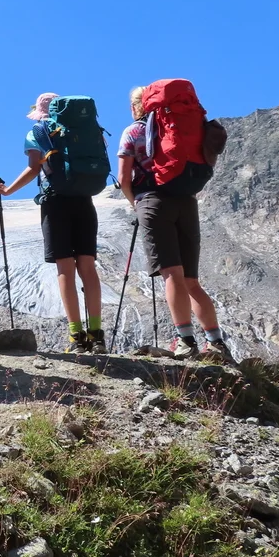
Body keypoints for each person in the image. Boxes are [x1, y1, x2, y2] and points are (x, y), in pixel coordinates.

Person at [116, 85, 230, 360]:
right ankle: (216, 342)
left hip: (154, 202)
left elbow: (123, 179)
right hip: (186, 200)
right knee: (192, 280)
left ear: (136, 107)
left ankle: (185, 340)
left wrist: (136, 203)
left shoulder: (133, 131)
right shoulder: (181, 126)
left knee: (172, 274)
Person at [0, 92, 105, 354]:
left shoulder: (39, 130)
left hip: (56, 202)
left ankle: (77, 336)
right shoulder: (86, 130)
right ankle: (97, 335)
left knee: (65, 268)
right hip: (84, 200)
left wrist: (8, 190)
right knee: (87, 266)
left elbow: (34, 167)